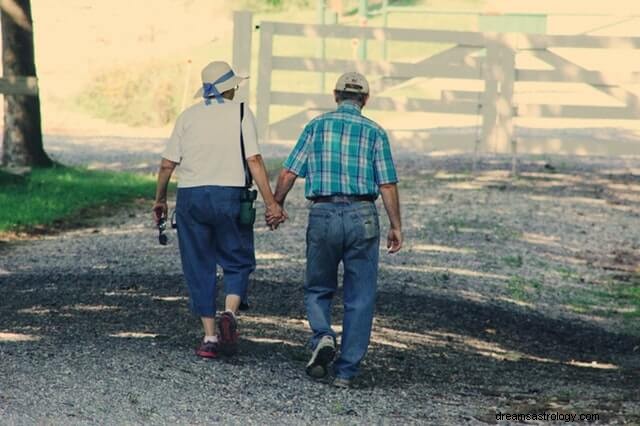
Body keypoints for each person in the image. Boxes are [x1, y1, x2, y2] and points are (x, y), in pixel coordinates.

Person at [271, 72, 402, 388]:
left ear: (335, 96)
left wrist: (276, 204)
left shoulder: (316, 127)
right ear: (365, 100)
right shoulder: (375, 133)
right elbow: (386, 183)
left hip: (324, 212)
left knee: (318, 286)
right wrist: (396, 226)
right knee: (361, 295)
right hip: (362, 214)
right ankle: (345, 372)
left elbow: (289, 172)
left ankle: (322, 335)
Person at [153, 61, 285, 359]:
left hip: (192, 198)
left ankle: (210, 337)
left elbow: (166, 164)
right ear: (230, 88)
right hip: (231, 196)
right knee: (237, 259)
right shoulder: (240, 112)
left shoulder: (187, 117)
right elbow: (254, 159)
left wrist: (160, 199)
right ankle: (230, 312)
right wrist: (271, 203)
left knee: (198, 264)